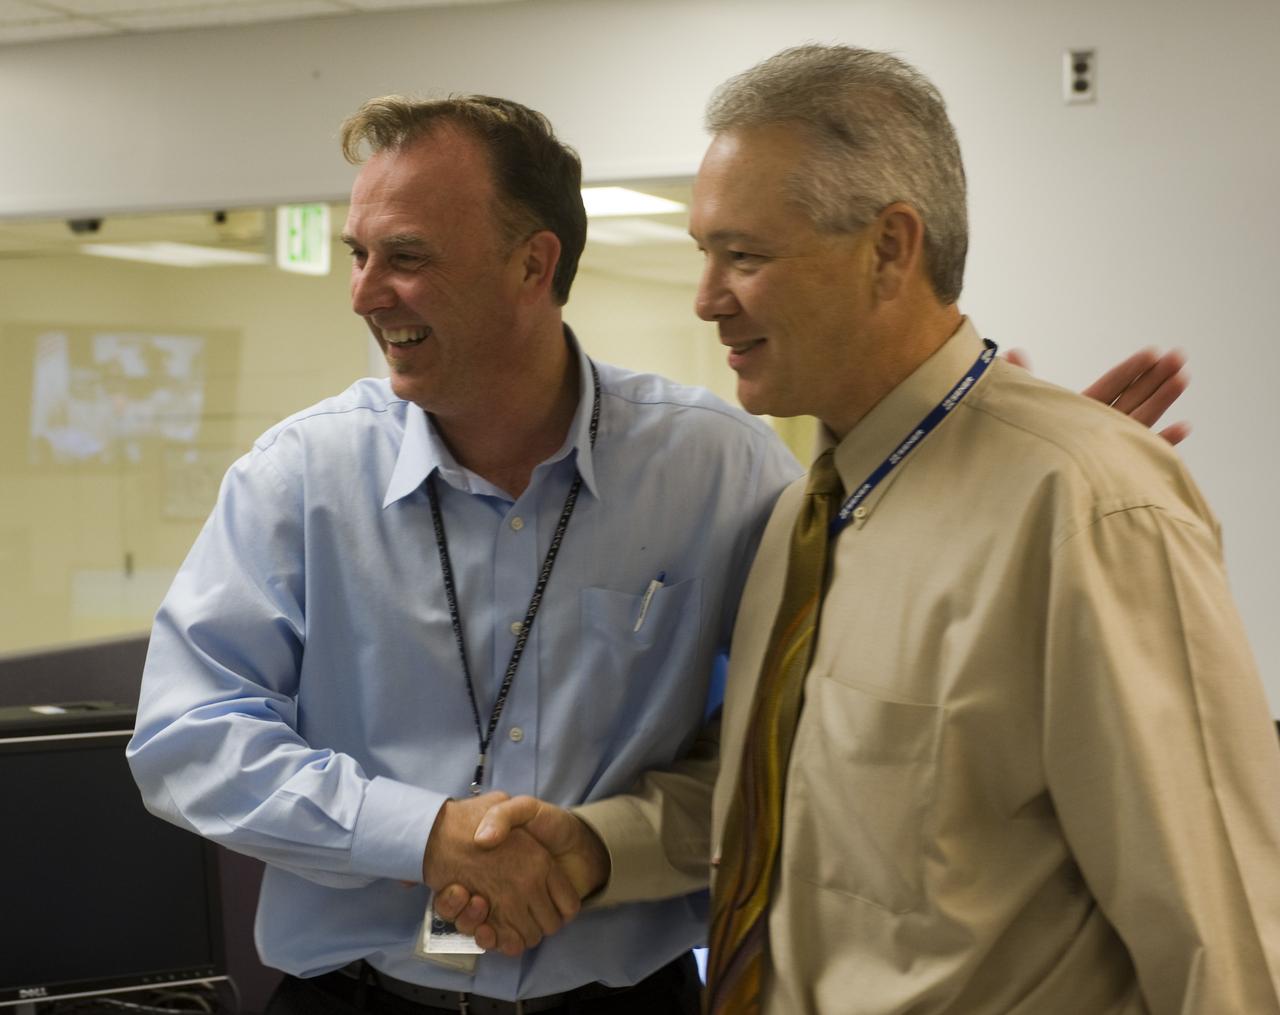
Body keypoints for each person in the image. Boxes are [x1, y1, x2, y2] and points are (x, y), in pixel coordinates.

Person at [130, 88, 1194, 1015]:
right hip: (357, 999)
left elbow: (804, 724)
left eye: (406, 258)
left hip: (623, 1005)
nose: (364, 292)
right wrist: (420, 834)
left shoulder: (716, 471)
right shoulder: (298, 478)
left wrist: (988, 492)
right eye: (361, 255)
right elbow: (186, 737)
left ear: (531, 263)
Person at [447, 46, 1280, 1015]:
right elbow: (794, 804)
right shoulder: (806, 518)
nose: (706, 296)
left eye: (743, 255)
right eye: (704, 252)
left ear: (888, 247)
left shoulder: (1082, 507)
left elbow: (1222, 940)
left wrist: (1058, 481)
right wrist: (597, 846)